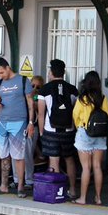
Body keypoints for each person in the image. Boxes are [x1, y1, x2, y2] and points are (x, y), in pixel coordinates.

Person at [37, 60, 79, 199]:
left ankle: (56, 192)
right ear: (64, 72)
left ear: (51, 73)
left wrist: (41, 132)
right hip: (68, 130)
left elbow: (41, 114)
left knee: (54, 160)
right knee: (69, 159)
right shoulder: (72, 89)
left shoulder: (44, 89)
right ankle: (72, 190)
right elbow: (76, 112)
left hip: (51, 130)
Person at [0, 57, 34, 197]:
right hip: (2, 122)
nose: (0, 75)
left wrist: (31, 122)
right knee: (4, 155)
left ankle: (20, 186)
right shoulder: (0, 83)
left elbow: (30, 103)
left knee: (19, 156)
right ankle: (3, 185)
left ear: (8, 67)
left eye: (1, 72)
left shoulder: (23, 80)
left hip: (19, 122)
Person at [72, 70, 108, 206]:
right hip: (100, 134)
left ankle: (82, 198)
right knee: (97, 166)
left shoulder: (82, 99)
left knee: (86, 168)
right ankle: (98, 198)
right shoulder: (103, 98)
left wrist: (79, 127)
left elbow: (75, 116)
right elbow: (107, 114)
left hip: (85, 133)